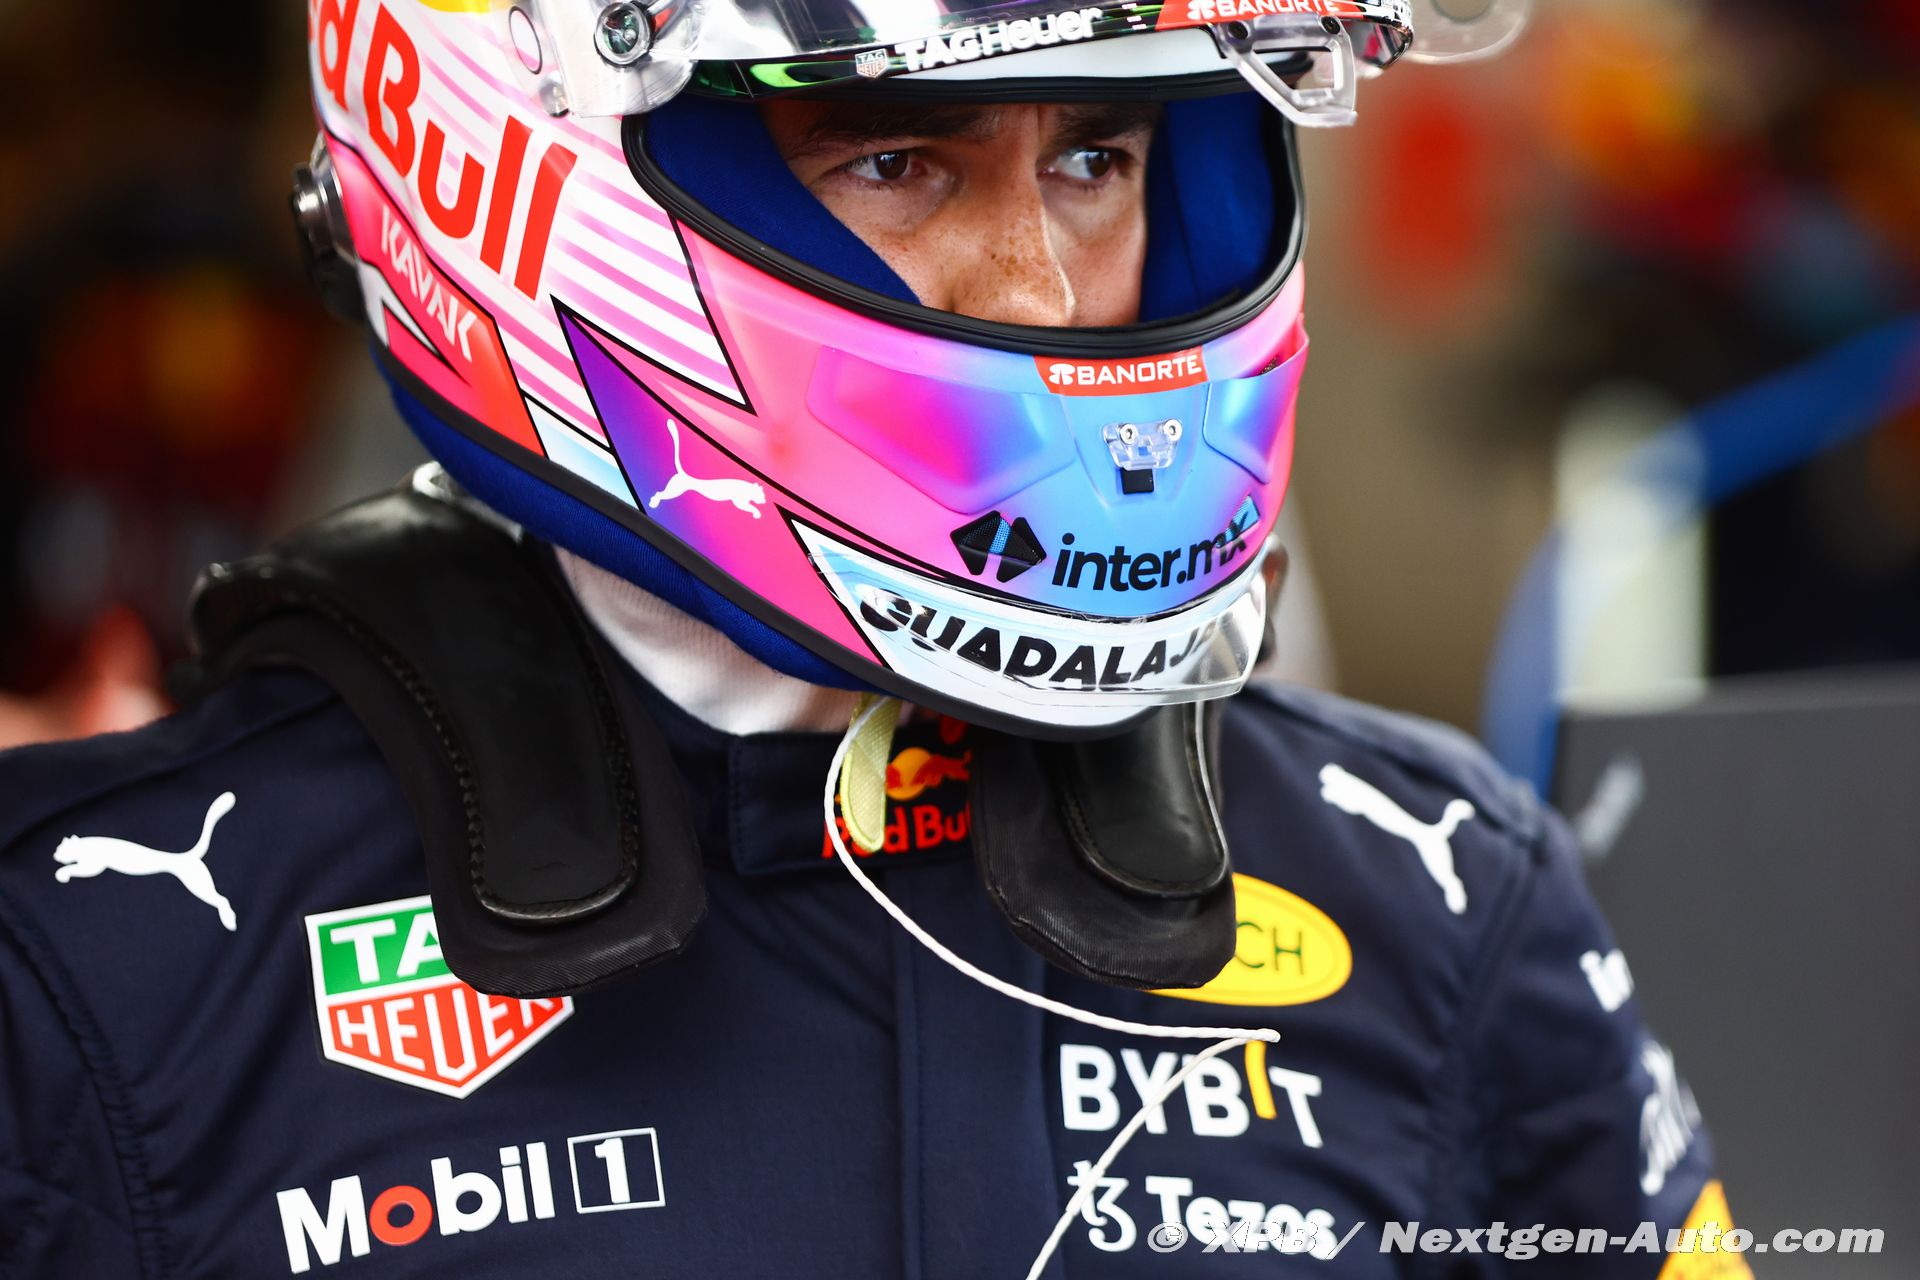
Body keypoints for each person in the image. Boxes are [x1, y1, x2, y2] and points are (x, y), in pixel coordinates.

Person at [0, 2, 1745, 1276]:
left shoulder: (1438, 899)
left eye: (1098, 160)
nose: (1037, 286)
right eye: (898, 162)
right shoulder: (102, 972)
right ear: (515, 180)